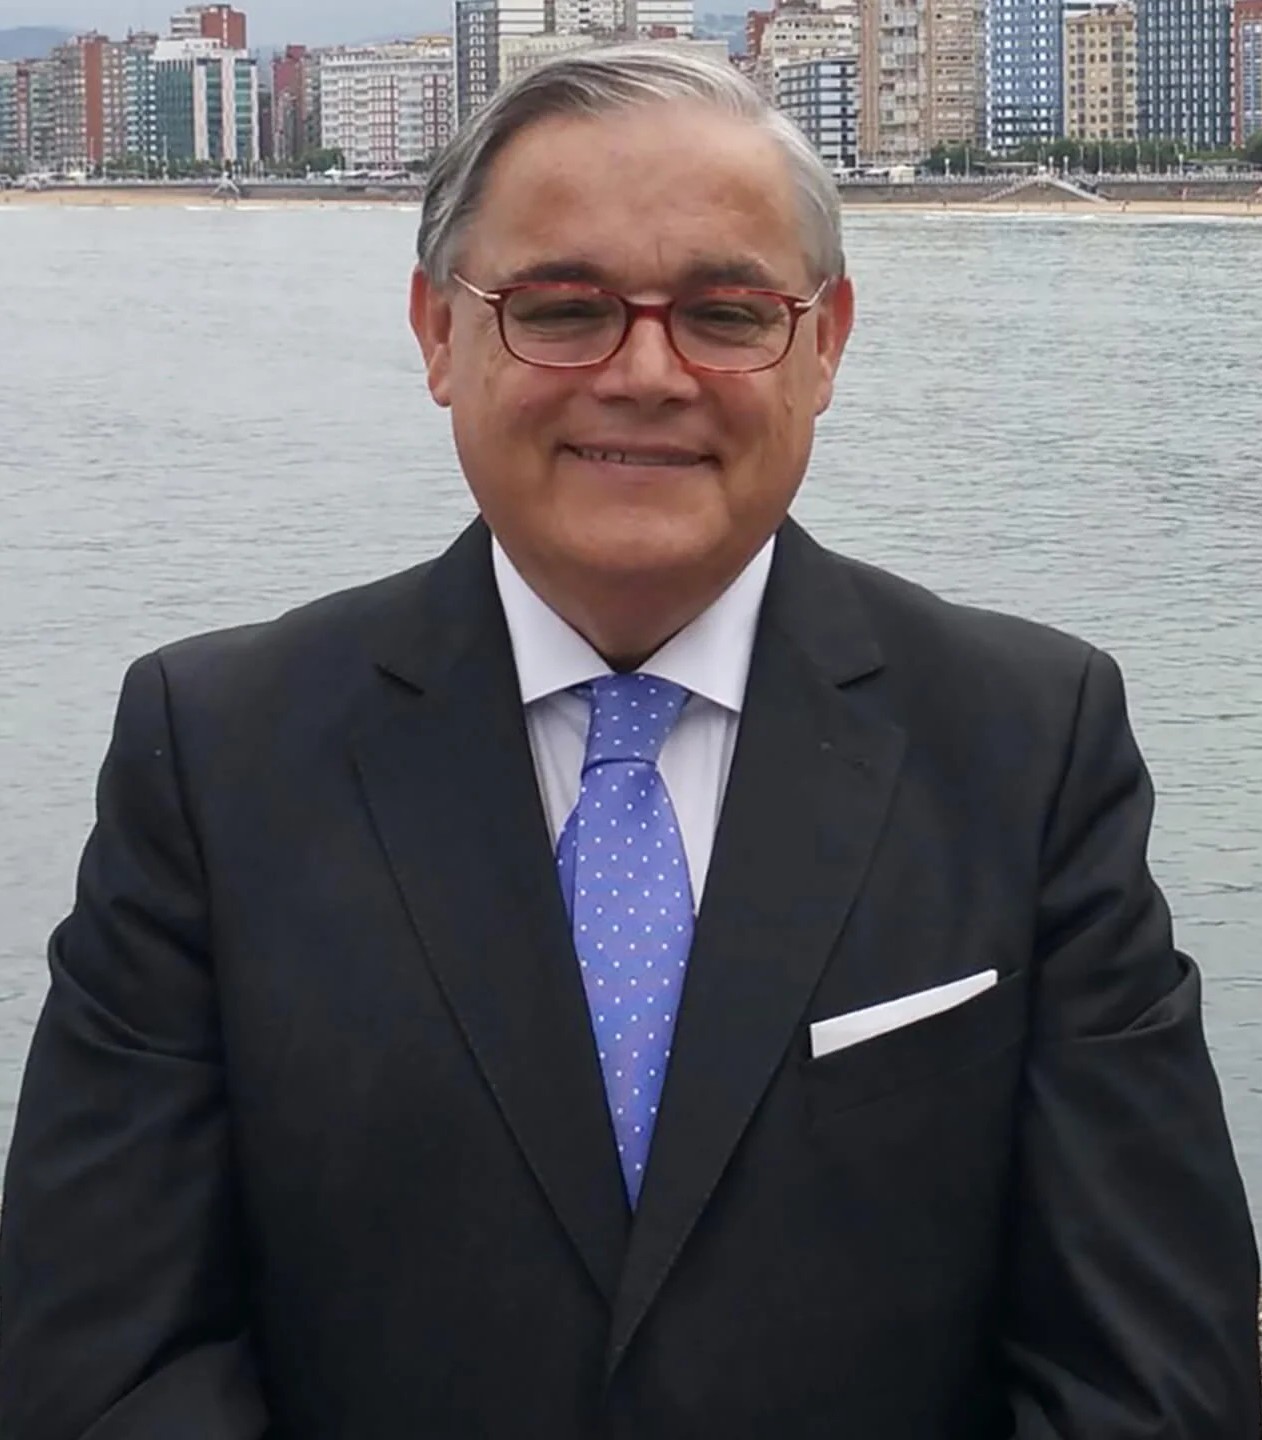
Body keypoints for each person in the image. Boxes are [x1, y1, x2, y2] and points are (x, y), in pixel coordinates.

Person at [0, 45, 1257, 1440]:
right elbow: (102, 1356)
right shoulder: (216, 755)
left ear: (825, 343)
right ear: (437, 332)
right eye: (562, 309)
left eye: (726, 313)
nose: (647, 372)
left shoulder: (1027, 745)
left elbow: (1154, 1364)